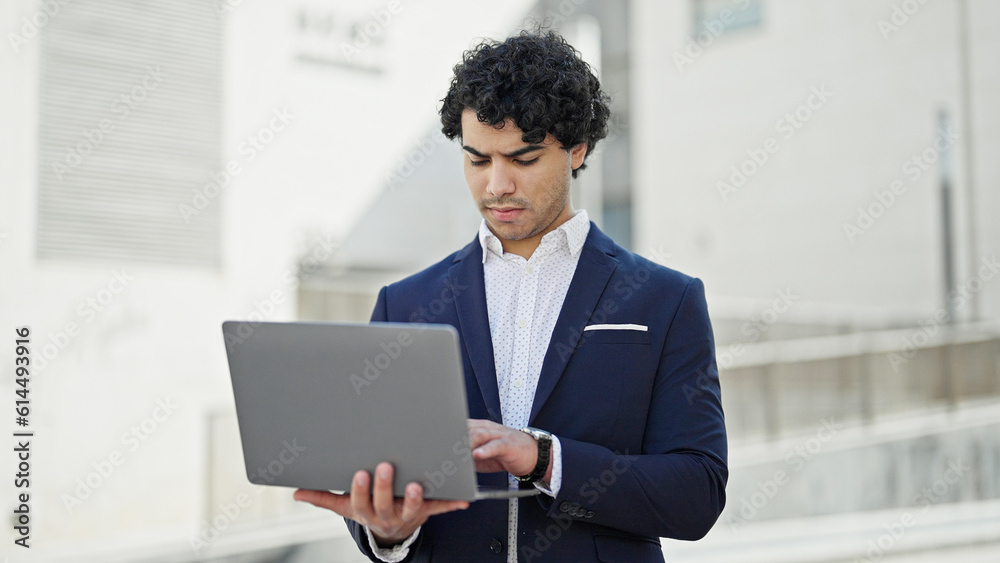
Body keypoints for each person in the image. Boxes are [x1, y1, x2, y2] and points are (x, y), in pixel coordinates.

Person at [293, 29, 727, 562]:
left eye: (522, 159)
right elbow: (381, 477)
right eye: (477, 160)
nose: (496, 184)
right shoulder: (403, 305)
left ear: (577, 150)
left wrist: (545, 458)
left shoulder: (666, 301)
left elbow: (697, 494)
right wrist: (388, 531)